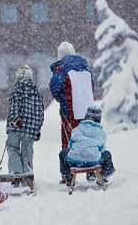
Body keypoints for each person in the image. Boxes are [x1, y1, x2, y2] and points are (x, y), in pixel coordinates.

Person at [49, 41, 94, 181]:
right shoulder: (85, 67)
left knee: (68, 141)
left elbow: (55, 88)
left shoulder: (61, 67)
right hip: (88, 110)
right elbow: (93, 86)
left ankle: (67, 173)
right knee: (87, 138)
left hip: (70, 110)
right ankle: (91, 169)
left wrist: (61, 99)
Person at [59, 105, 115, 186]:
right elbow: (102, 149)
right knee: (107, 154)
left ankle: (68, 177)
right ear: (99, 119)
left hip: (75, 161)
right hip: (93, 161)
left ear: (86, 116)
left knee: (63, 153)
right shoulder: (101, 133)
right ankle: (103, 176)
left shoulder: (77, 129)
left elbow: (70, 145)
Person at [6, 65, 44, 179]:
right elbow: (41, 113)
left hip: (16, 126)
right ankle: (27, 176)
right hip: (31, 129)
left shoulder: (17, 88)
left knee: (13, 148)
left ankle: (16, 173)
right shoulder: (37, 92)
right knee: (27, 152)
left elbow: (14, 105)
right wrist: (37, 129)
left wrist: (15, 119)